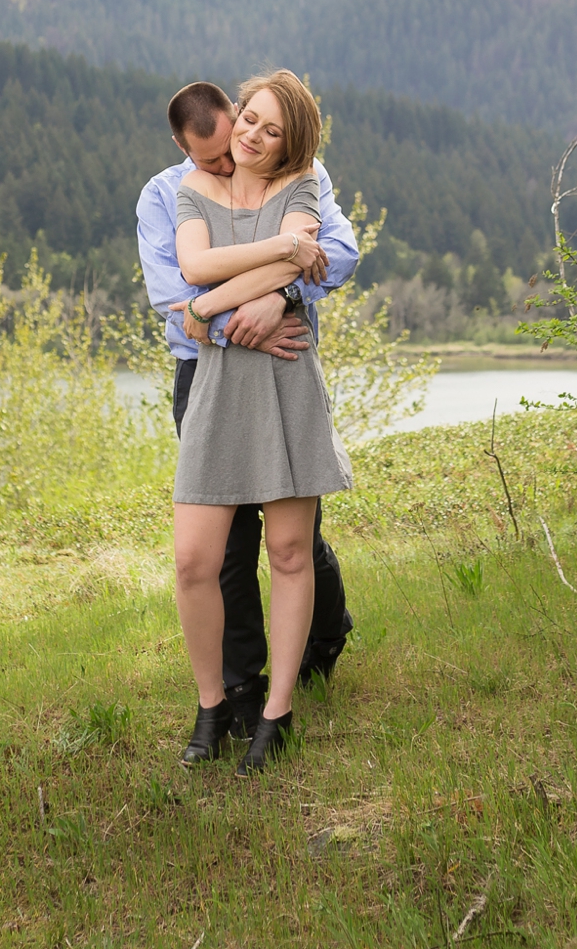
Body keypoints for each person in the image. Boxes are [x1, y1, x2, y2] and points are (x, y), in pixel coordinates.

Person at [136, 72, 357, 774]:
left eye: (264, 125)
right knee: (205, 559)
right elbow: (183, 281)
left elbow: (335, 256)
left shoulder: (304, 179)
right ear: (188, 144)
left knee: (296, 549)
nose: (245, 141)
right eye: (246, 124)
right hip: (207, 377)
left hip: (286, 377)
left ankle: (285, 698)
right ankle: (222, 698)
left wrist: (252, 296)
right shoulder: (173, 190)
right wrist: (267, 278)